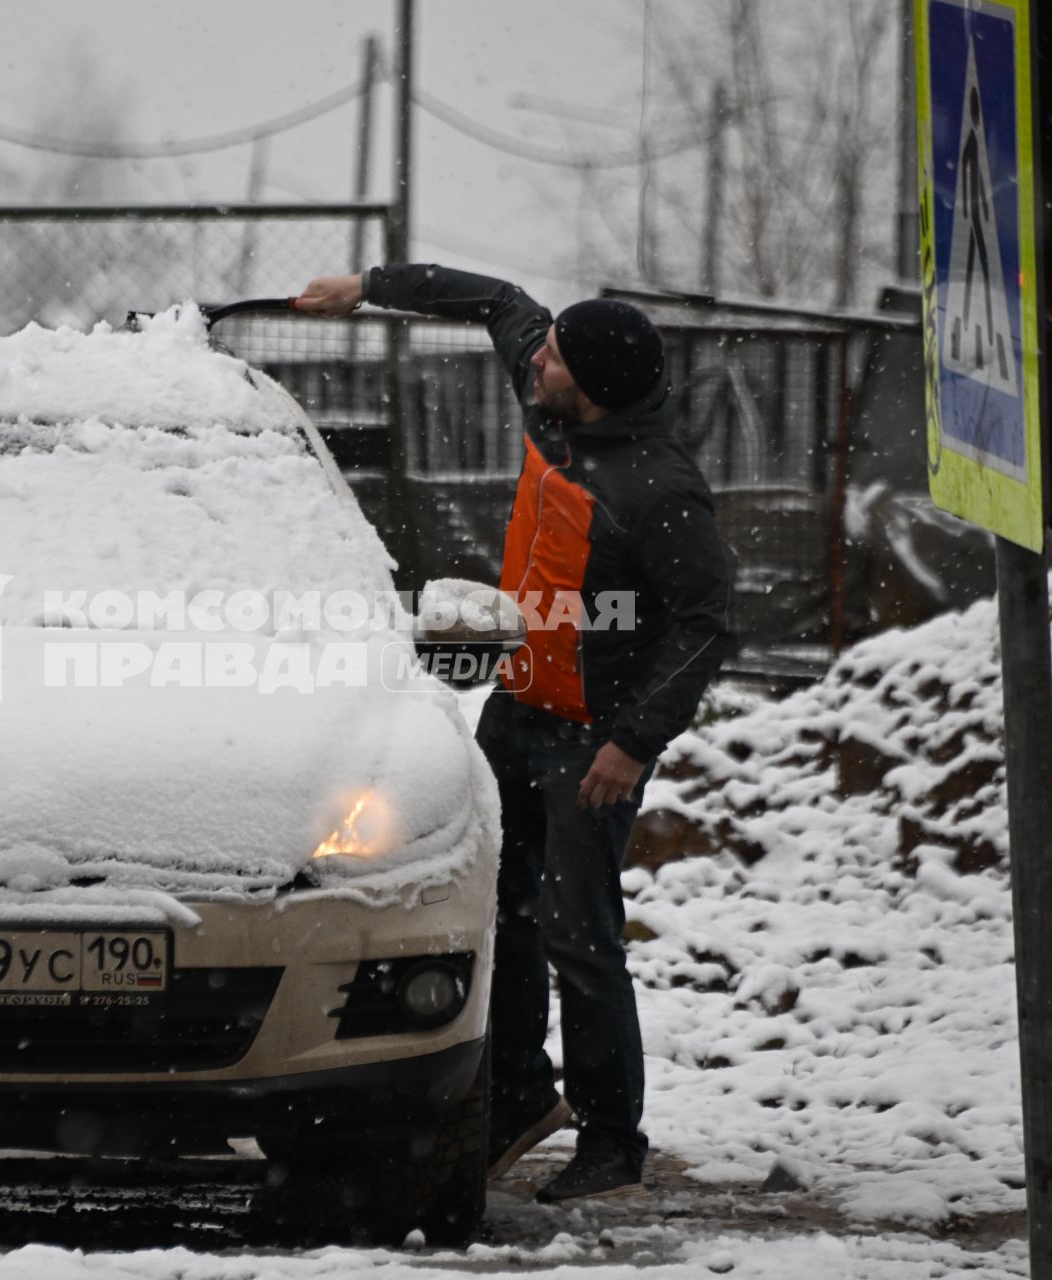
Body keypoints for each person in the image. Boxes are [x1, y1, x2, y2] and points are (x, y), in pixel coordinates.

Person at [295, 266, 735, 1203]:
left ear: (597, 384)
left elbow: (707, 623)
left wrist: (635, 741)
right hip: (516, 711)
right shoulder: (555, 410)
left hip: (592, 746)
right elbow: (497, 300)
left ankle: (613, 1142)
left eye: (556, 356)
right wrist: (366, 288)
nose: (537, 357)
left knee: (581, 937)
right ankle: (521, 1092)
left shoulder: (657, 489)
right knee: (502, 913)